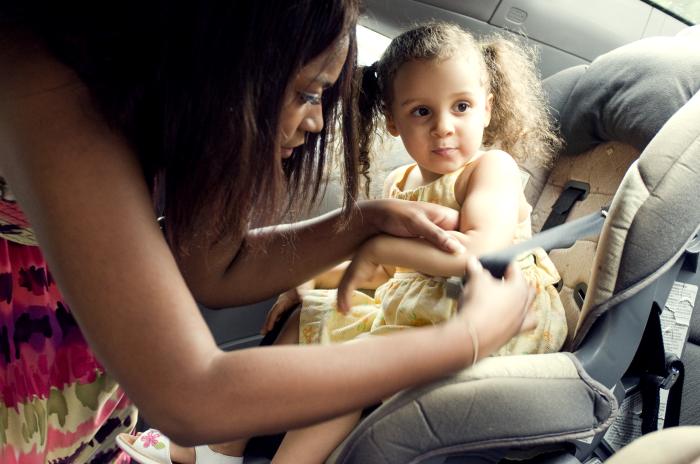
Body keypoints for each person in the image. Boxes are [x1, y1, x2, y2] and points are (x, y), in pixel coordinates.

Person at [0, 3, 536, 463]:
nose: (318, 122)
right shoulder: (42, 81)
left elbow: (215, 269)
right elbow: (190, 396)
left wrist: (365, 221)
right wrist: (463, 340)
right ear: (237, 64)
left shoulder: (172, 113)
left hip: (88, 421)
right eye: (307, 92)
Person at [129, 21, 567, 464]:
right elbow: (384, 275)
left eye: (461, 107)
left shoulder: (491, 168)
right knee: (311, 313)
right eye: (422, 112)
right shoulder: (402, 180)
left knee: (349, 365)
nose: (443, 128)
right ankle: (219, 452)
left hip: (497, 309)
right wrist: (309, 280)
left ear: (488, 110)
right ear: (393, 123)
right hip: (421, 307)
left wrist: (377, 248)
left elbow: (479, 254)